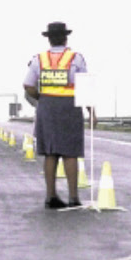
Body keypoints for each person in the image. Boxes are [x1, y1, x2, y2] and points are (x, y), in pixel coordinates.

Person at [23, 22, 97, 209]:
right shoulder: (76, 58)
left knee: (50, 152)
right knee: (70, 152)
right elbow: (85, 89)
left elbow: (28, 86)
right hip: (70, 107)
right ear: (65, 38)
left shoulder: (39, 59)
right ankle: (73, 198)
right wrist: (92, 113)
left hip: (47, 107)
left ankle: (50, 197)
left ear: (48, 39)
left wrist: (41, 99)